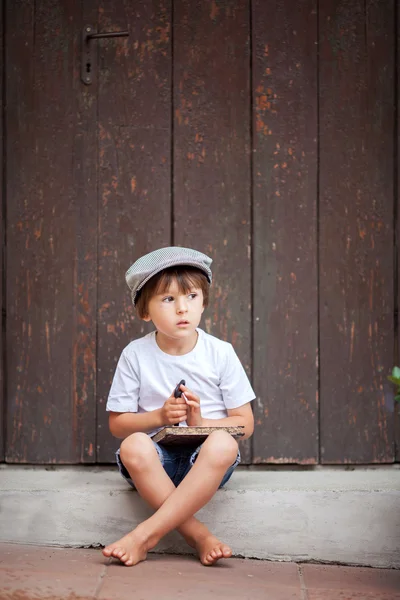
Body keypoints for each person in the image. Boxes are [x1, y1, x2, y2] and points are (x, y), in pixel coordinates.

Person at [102, 247, 255, 567]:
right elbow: (117, 425)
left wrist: (201, 422)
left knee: (224, 442)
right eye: (168, 299)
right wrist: (158, 416)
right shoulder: (135, 355)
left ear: (204, 302)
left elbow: (245, 424)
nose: (182, 307)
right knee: (132, 445)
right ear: (145, 311)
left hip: (207, 465)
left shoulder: (220, 352)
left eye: (192, 296)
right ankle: (198, 535)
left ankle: (144, 536)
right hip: (156, 465)